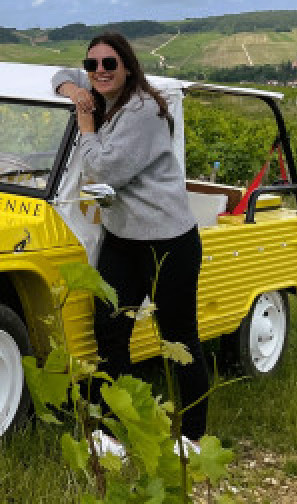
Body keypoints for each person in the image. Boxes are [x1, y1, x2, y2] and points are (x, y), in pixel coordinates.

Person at [52, 31, 209, 453]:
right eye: (92, 65)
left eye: (109, 64)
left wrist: (85, 121)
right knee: (109, 330)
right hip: (122, 237)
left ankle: (192, 434)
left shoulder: (141, 110)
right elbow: (60, 73)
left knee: (178, 337)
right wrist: (72, 88)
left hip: (167, 241)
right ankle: (113, 428)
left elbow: (103, 170)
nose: (98, 72)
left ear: (127, 66)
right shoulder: (104, 94)